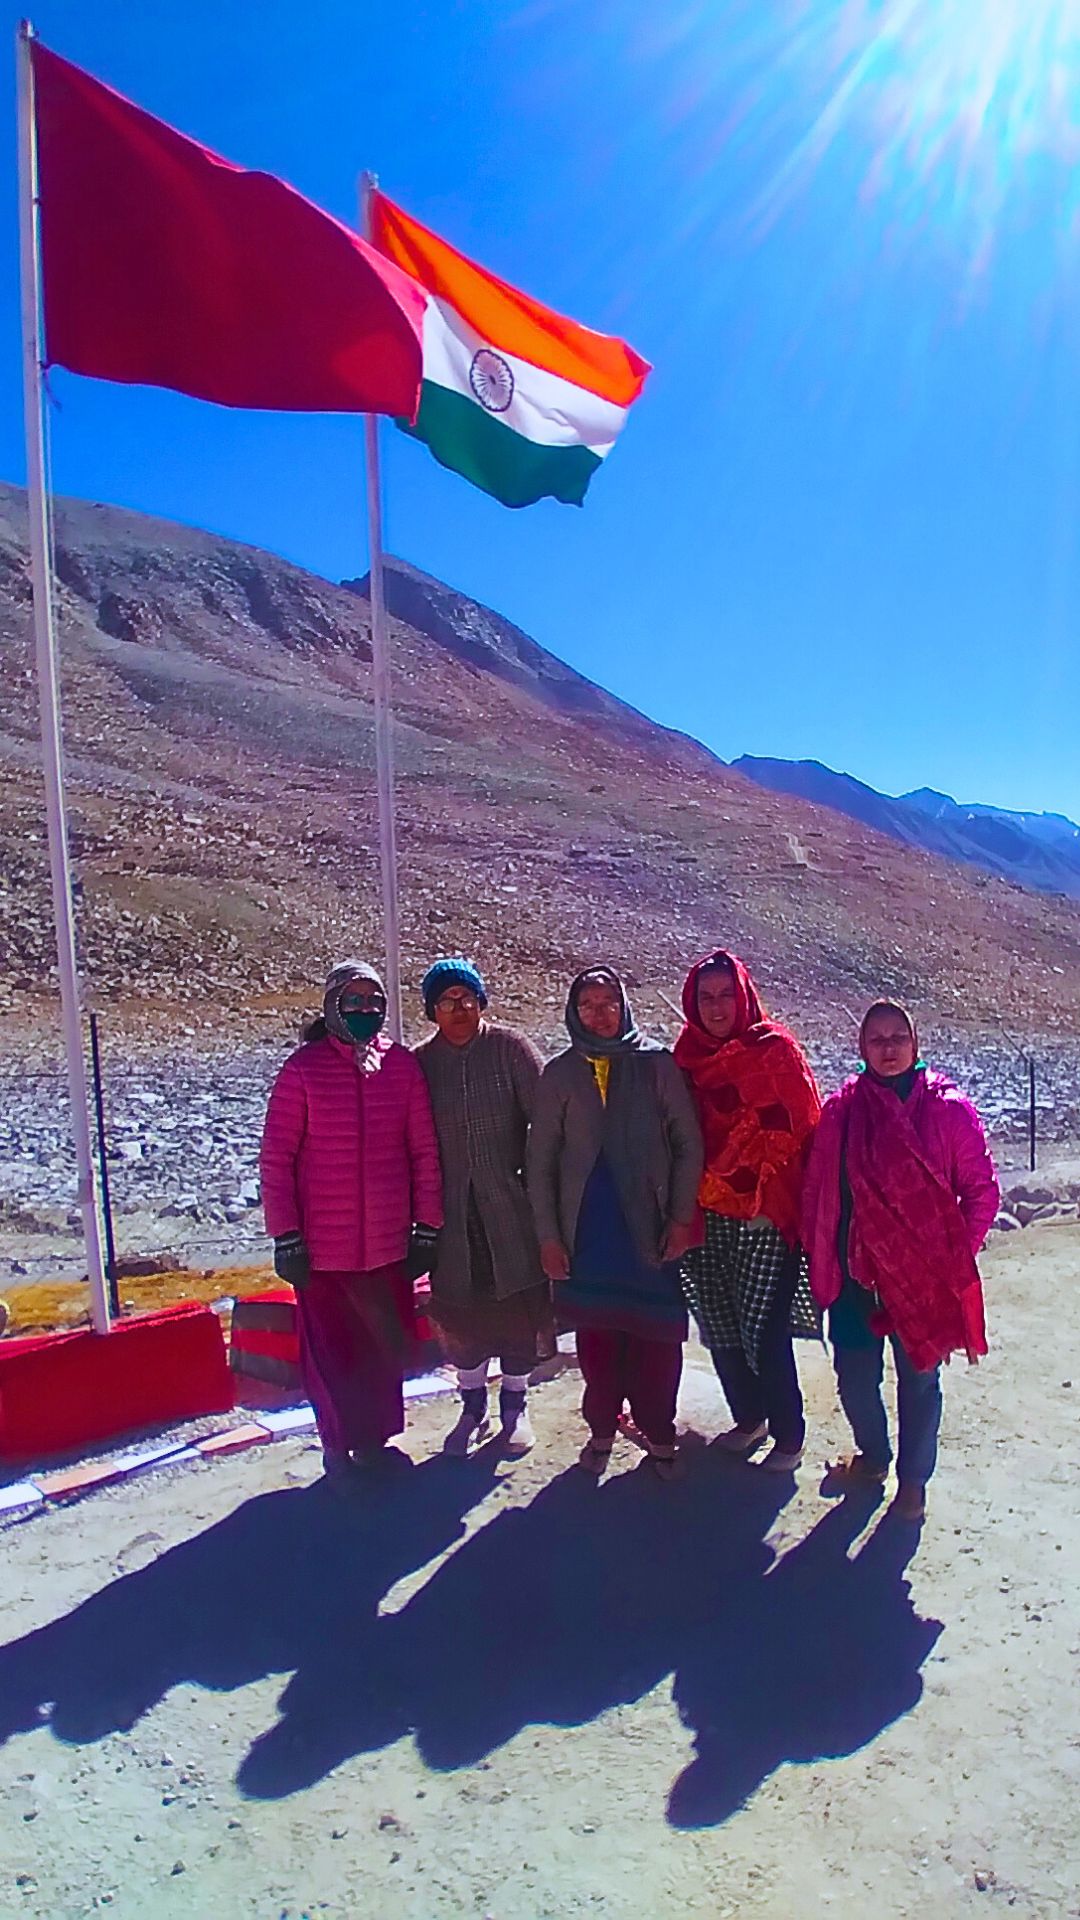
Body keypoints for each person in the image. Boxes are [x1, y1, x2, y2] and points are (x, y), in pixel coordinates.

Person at [802, 999, 999, 1522]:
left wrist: (951, 1257)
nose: (888, 1049)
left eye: (898, 1038)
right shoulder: (843, 1112)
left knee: (919, 1382)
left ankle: (914, 1482)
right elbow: (822, 1192)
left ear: (915, 1044)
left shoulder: (947, 1109)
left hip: (922, 1282)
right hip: (856, 1277)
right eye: (876, 1040)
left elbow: (981, 1192)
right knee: (853, 1376)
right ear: (861, 1048)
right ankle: (874, 1456)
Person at [260, 959, 443, 1484]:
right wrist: (286, 1236)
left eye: (374, 1002)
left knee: (383, 1350)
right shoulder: (303, 1070)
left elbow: (423, 1154)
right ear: (332, 1005)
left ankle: (378, 1441)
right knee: (333, 1354)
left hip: (388, 1244)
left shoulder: (402, 1067)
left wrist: (426, 1227)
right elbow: (276, 1159)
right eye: (354, 1001)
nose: (365, 1010)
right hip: (323, 1251)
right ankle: (339, 1447)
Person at [527, 966, 703, 1479]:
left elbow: (687, 1145)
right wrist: (549, 1237)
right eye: (588, 1004)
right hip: (589, 1230)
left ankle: (660, 1433)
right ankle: (602, 1429)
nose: (600, 1014)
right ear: (573, 1012)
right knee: (598, 1341)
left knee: (657, 1340)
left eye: (608, 1003)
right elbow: (540, 1162)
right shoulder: (560, 1074)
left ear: (624, 1006)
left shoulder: (655, 1064)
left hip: (649, 1225)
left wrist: (680, 1219)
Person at [674, 950, 822, 1472]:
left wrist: (753, 1182)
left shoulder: (774, 1051)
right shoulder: (687, 1057)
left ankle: (788, 1433)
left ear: (744, 997)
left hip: (763, 1209)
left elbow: (801, 1125)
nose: (716, 1007)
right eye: (705, 997)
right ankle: (749, 1416)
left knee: (762, 1324)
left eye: (725, 996)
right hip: (707, 1211)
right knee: (718, 1318)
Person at [414, 957, 554, 1457]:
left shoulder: (511, 1049)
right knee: (460, 1310)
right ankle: (472, 1406)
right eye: (447, 1001)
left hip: (510, 1204)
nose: (459, 1009)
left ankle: (515, 1406)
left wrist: (538, 1184)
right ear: (432, 1010)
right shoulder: (421, 1063)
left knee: (517, 1305)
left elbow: (547, 1120)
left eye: (467, 998)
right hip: (449, 1211)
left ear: (481, 1001)